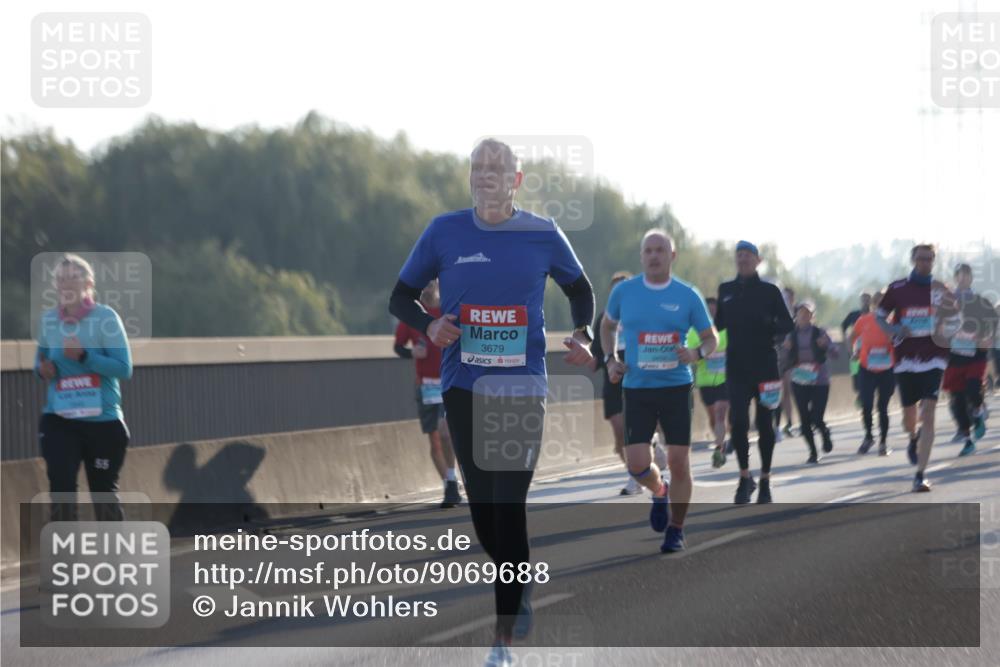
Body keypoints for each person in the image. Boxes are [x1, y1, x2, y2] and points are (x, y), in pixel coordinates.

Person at [388, 138, 595, 667]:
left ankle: (501, 643)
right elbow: (399, 295)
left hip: (521, 387)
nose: (484, 175)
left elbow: (580, 289)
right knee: (484, 514)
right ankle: (518, 575)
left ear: (516, 181)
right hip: (462, 387)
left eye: (495, 168)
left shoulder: (543, 234)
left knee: (509, 504)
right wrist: (428, 323)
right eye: (477, 166)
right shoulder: (444, 231)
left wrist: (584, 332)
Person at [601, 230, 717, 552]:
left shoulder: (687, 295)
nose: (654, 256)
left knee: (679, 461)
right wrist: (611, 359)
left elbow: (711, 338)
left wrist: (696, 354)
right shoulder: (625, 292)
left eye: (660, 250)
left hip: (676, 387)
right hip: (637, 387)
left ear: (672, 256)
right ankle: (659, 490)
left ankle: (676, 529)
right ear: (641, 257)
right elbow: (607, 326)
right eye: (648, 251)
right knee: (637, 464)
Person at [34, 254, 134, 522]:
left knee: (103, 494)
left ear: (88, 283)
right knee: (62, 490)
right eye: (60, 278)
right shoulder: (49, 321)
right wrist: (43, 369)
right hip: (60, 420)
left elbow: (124, 368)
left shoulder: (105, 318)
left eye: (72, 277)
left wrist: (84, 357)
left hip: (102, 422)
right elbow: (40, 359)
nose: (65, 283)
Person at [715, 241, 795, 504]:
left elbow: (787, 324)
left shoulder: (770, 291)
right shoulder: (725, 290)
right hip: (737, 367)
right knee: (738, 422)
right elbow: (716, 328)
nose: (742, 259)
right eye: (738, 255)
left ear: (757, 260)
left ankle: (765, 480)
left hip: (766, 367)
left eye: (747, 255)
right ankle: (744, 476)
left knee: (765, 424)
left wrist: (770, 324)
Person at [876, 244, 959, 492]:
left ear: (934, 261)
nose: (925, 263)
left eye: (930, 259)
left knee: (930, 413)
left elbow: (955, 320)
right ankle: (913, 438)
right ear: (913, 260)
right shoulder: (897, 288)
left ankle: (920, 474)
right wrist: (893, 330)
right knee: (909, 417)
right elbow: (879, 316)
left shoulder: (942, 290)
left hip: (934, 356)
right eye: (921, 258)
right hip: (906, 359)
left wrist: (946, 330)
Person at [393, 279, 462, 508]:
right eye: (423, 284)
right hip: (425, 385)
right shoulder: (413, 314)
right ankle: (449, 485)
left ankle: (453, 477)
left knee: (446, 432)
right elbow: (398, 347)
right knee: (434, 442)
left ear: (438, 285)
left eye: (430, 284)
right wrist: (413, 352)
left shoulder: (447, 310)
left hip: (448, 382)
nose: (426, 288)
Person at [589, 271, 643, 495]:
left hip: (637, 378)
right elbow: (594, 356)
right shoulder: (603, 318)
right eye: (615, 289)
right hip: (612, 380)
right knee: (620, 432)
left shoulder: (641, 314)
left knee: (634, 429)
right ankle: (636, 471)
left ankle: (635, 476)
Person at [943, 264, 998, 457]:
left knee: (973, 388)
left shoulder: (981, 301)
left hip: (976, 354)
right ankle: (967, 440)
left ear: (971, 278)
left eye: (967, 275)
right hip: (954, 356)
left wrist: (988, 337)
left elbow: (994, 321)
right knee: (957, 400)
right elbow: (937, 325)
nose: (963, 278)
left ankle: (978, 410)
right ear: (956, 278)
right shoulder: (947, 302)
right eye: (960, 275)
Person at [785, 301, 839, 463]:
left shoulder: (820, 333)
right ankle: (813, 452)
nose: (804, 316)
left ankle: (824, 433)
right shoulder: (791, 335)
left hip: (819, 380)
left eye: (807, 313)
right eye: (801, 313)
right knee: (804, 419)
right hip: (799, 379)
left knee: (816, 416)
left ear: (812, 316)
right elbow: (783, 357)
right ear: (796, 316)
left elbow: (836, 353)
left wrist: (826, 346)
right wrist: (786, 349)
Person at [849, 291, 896, 456]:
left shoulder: (893, 322)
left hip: (886, 369)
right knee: (866, 405)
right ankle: (868, 436)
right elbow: (853, 337)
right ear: (874, 305)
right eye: (878, 302)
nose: (880, 305)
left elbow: (901, 341)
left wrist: (895, 342)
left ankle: (883, 442)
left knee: (882, 407)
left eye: (884, 302)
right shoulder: (864, 320)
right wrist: (856, 350)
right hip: (866, 368)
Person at [687, 297, 730, 467]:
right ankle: (721, 441)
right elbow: (692, 354)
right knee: (713, 418)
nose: (712, 313)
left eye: (714, 310)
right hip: (705, 381)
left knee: (720, 413)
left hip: (724, 379)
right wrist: (703, 349)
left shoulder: (727, 330)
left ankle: (719, 450)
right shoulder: (694, 332)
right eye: (708, 310)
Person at [842, 292, 873, 407]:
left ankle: (866, 398)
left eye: (868, 299)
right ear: (860, 301)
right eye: (863, 299)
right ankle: (861, 394)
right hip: (855, 351)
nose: (865, 302)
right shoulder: (854, 315)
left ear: (871, 301)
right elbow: (843, 326)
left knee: (870, 376)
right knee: (856, 377)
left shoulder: (875, 315)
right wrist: (846, 340)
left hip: (871, 351)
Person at [773, 286, 797, 439]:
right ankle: (776, 426)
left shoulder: (797, 316)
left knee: (787, 391)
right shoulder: (774, 314)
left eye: (788, 298)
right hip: (775, 356)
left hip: (789, 358)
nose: (785, 300)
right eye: (783, 297)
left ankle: (789, 424)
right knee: (776, 391)